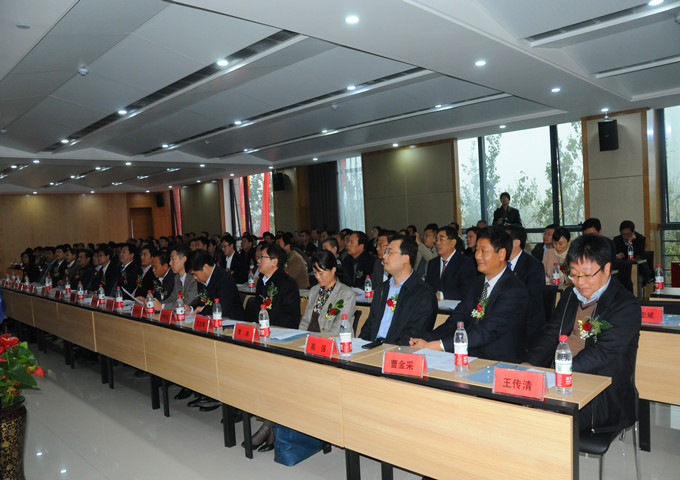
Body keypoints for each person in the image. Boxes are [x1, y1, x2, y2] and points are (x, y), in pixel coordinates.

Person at [525, 234, 640, 433]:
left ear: (606, 269)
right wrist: (530, 364)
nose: (580, 282)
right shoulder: (570, 295)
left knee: (542, 425)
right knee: (512, 407)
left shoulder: (625, 305)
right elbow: (551, 333)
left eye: (587, 275)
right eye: (574, 274)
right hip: (559, 377)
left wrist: (558, 373)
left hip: (600, 391)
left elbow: (602, 353)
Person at [410, 227, 529, 363]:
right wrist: (427, 339)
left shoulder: (513, 290)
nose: (477, 256)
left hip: (497, 360)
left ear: (502, 254)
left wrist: (439, 345)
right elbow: (456, 319)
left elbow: (487, 332)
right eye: (477, 250)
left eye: (483, 251)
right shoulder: (477, 283)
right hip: (469, 353)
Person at [359, 235, 437, 346]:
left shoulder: (424, 294)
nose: (384, 256)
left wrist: (385, 349)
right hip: (373, 347)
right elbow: (369, 325)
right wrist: (362, 345)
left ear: (405, 258)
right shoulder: (382, 289)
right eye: (385, 252)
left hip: (398, 351)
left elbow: (413, 335)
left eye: (390, 252)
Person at [505, 225, 546, 353]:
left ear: (516, 243)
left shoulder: (533, 265)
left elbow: (532, 300)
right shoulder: (499, 263)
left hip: (526, 323)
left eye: (505, 240)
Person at [299, 250, 356, 335]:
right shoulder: (314, 291)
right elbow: (305, 322)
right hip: (309, 338)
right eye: (315, 273)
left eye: (321, 273)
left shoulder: (346, 294)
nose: (317, 277)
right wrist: (300, 337)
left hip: (331, 339)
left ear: (333, 270)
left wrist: (320, 340)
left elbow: (339, 327)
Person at [245, 243, 300, 329]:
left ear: (274, 262)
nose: (258, 261)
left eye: (262, 257)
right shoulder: (261, 281)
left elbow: (291, 319)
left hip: (279, 331)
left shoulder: (287, 284)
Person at [187, 249, 245, 320]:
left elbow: (222, 308)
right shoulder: (201, 280)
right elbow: (202, 304)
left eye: (195, 274)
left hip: (231, 320)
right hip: (210, 319)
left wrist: (202, 309)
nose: (194, 277)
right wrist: (191, 309)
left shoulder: (225, 279)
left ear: (205, 267)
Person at [425, 226, 476, 301]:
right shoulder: (432, 263)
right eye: (437, 240)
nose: (438, 243)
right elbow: (427, 287)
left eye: (441, 239)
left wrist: (442, 295)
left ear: (453, 243)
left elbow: (467, 291)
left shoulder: (466, 263)